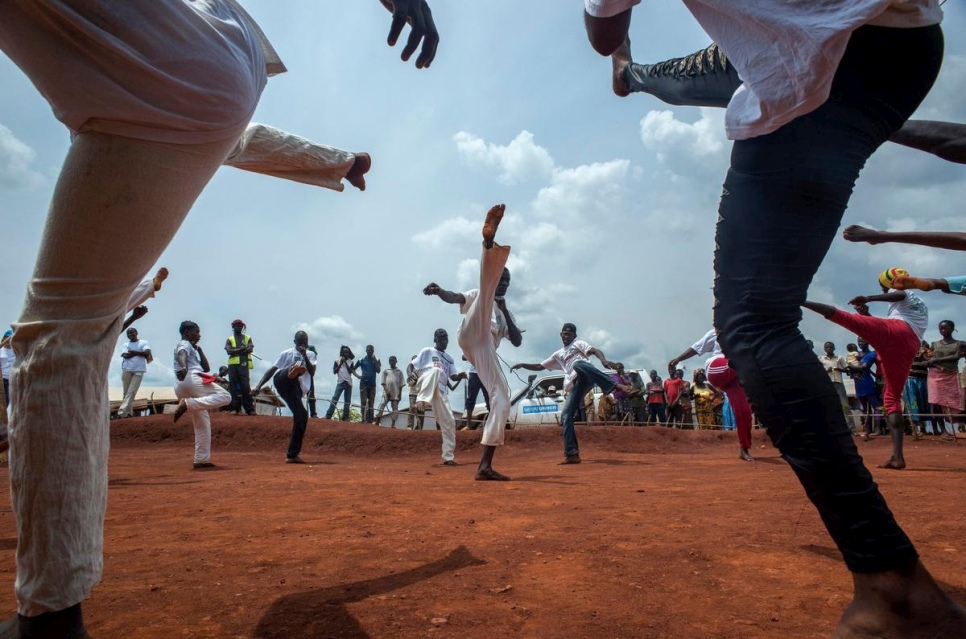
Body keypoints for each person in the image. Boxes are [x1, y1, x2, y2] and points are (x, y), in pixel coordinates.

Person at [0, 1, 436, 632]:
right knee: (72, 336)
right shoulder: (146, 83)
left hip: (193, 73)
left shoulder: (133, 76)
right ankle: (54, 607)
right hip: (228, 53)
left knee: (61, 336)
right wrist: (333, 161)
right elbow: (225, 126)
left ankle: (49, 616)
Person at [585, 3, 965, 635]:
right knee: (742, 68)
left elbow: (602, 28)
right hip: (907, 45)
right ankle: (639, 76)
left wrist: (617, 50)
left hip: (820, 60)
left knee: (755, 324)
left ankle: (892, 586)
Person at [422, 205, 523, 479]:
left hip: (484, 351)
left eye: (505, 282)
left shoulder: (506, 313)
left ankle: (484, 466)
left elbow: (516, 341)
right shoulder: (481, 292)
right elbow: (457, 297)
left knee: (502, 400)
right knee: (484, 291)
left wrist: (504, 309)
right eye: (500, 279)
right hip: (471, 331)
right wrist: (440, 291)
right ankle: (488, 242)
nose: (501, 284)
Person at [804, 269, 928, 469]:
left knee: (844, 317)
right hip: (908, 344)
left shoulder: (907, 293)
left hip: (897, 332)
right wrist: (867, 315)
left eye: (883, 287)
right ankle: (897, 457)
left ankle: (798, 301)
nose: (883, 291)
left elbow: (899, 297)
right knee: (891, 397)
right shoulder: (913, 306)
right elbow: (884, 332)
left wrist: (868, 297)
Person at [511, 323, 629, 464]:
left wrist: (603, 360)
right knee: (566, 415)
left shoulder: (578, 344)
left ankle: (615, 385)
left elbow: (595, 350)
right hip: (576, 383)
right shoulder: (558, 354)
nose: (565, 336)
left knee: (577, 364)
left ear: (574, 336)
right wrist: (523, 364)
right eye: (563, 334)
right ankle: (572, 454)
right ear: (561, 335)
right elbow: (540, 366)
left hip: (586, 374)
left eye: (568, 334)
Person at [668, 329, 754, 461]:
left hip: (735, 376)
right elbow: (696, 348)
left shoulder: (750, 333)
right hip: (717, 368)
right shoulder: (717, 331)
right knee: (742, 361)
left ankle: (744, 449)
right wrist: (678, 359)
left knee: (744, 411)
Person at [172, 321, 231, 469]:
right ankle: (188, 404)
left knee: (202, 423)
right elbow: (181, 354)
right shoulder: (184, 344)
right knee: (226, 396)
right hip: (191, 378)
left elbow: (206, 367)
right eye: (196, 332)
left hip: (182, 385)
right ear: (186, 332)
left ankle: (201, 460)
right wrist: (184, 366)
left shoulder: (191, 347)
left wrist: (199, 350)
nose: (199, 335)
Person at [252, 331, 318, 464]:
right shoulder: (286, 353)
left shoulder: (311, 355)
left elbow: (312, 372)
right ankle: (292, 370)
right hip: (282, 383)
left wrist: (304, 356)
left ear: (308, 342)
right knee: (284, 373)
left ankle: (292, 455)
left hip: (296, 392)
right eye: (300, 343)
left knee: (302, 416)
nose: (302, 345)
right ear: (295, 342)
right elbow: (272, 370)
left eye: (305, 342)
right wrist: (258, 386)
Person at [411, 329, 466, 466]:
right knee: (436, 370)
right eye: (441, 339)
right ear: (435, 339)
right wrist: (410, 375)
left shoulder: (449, 358)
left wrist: (461, 375)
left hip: (440, 390)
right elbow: (412, 365)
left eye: (446, 339)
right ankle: (421, 402)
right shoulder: (427, 351)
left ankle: (448, 457)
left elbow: (452, 377)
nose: (444, 341)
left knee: (450, 421)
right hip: (424, 382)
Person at [926, 320, 964, 440]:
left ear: (952, 329)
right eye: (941, 328)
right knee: (936, 402)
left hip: (951, 375)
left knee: (958, 401)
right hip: (935, 376)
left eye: (945, 328)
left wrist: (936, 361)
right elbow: (929, 358)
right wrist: (932, 362)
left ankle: (961, 424)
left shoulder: (960, 344)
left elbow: (957, 356)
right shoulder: (934, 344)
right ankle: (943, 431)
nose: (943, 330)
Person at [117, 327, 153, 419]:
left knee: (132, 391)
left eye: (132, 333)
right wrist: (140, 352)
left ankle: (121, 412)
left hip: (139, 370)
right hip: (126, 369)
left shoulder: (143, 342)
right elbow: (125, 355)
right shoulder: (126, 344)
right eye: (128, 334)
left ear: (136, 333)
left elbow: (147, 353)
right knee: (126, 392)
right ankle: (128, 413)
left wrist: (132, 351)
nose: (130, 335)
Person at [224, 319, 256, 416]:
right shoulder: (230, 339)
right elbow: (228, 351)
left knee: (245, 386)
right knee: (233, 387)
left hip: (243, 364)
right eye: (237, 326)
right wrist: (241, 350)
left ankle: (249, 409)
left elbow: (250, 349)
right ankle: (234, 408)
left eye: (240, 326)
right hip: (233, 365)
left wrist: (237, 350)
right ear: (233, 327)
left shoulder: (247, 338)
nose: (239, 327)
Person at [818, 342, 850, 421]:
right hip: (827, 384)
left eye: (830, 347)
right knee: (829, 405)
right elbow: (818, 372)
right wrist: (827, 371)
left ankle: (852, 429)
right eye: (827, 347)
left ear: (834, 348)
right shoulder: (821, 359)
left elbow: (847, 370)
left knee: (845, 405)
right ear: (824, 349)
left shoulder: (839, 358)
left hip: (838, 383)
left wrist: (839, 369)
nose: (829, 349)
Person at [324, 346, 357, 421]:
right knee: (335, 398)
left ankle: (345, 417)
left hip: (348, 382)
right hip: (341, 382)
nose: (347, 353)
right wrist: (340, 363)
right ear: (342, 353)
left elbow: (350, 371)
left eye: (348, 352)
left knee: (347, 400)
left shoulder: (350, 361)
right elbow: (334, 371)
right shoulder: (337, 361)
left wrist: (345, 362)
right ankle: (328, 415)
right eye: (345, 352)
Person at [353, 345, 381, 424]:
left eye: (371, 350)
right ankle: (363, 419)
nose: (370, 351)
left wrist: (374, 359)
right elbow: (353, 369)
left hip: (372, 384)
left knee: (371, 403)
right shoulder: (361, 360)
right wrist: (358, 376)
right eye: (368, 350)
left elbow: (378, 370)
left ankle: (370, 420)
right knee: (364, 401)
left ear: (373, 351)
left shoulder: (377, 360)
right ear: (366, 350)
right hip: (364, 383)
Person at [460, 359, 491, 431]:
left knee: (489, 399)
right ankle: (468, 425)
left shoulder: (488, 346)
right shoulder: (472, 346)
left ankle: (493, 424)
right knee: (471, 398)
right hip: (474, 373)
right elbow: (463, 357)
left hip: (486, 374)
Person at [375, 356, 405, 428]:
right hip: (386, 392)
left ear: (396, 361)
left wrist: (400, 395)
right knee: (382, 404)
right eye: (390, 361)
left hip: (395, 393)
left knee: (395, 408)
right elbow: (383, 383)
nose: (391, 362)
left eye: (393, 360)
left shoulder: (399, 372)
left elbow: (401, 385)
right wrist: (387, 391)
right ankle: (377, 420)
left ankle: (393, 423)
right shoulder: (386, 371)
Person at [405, 355, 424, 430]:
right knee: (411, 409)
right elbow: (409, 381)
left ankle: (419, 428)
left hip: (421, 394)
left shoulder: (423, 370)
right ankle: (410, 426)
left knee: (421, 411)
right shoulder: (410, 369)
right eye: (413, 360)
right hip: (412, 393)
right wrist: (412, 379)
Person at [1, 330, 15, 410]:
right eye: (8, 338)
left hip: (10, 381)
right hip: (1, 380)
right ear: (4, 338)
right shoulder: (0, 350)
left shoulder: (17, 352)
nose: (9, 340)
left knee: (5, 404)